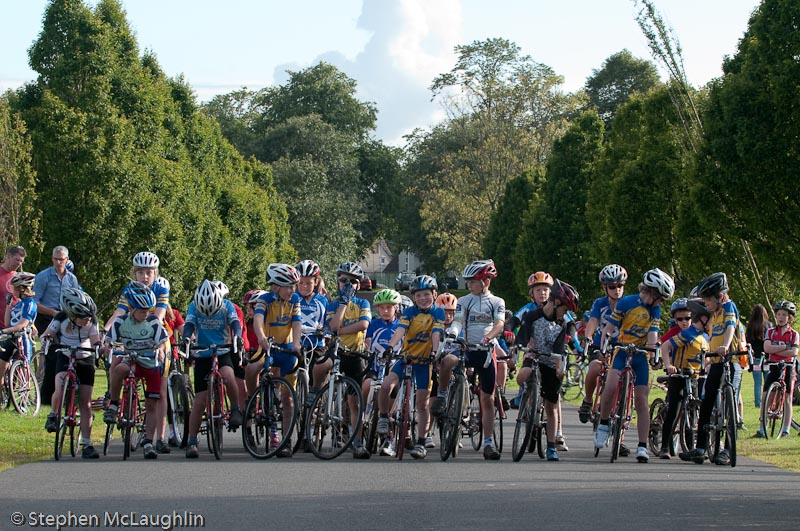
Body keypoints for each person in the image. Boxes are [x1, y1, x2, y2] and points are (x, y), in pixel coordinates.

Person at [594, 268, 675, 463]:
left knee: (641, 400)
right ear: (651, 292)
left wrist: (653, 353)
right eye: (660, 298)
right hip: (621, 350)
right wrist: (604, 346)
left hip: (640, 354)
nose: (661, 303)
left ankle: (642, 446)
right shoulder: (626, 302)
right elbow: (609, 328)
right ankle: (603, 424)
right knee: (610, 386)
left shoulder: (654, 310)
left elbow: (653, 334)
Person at [436, 259, 506, 460]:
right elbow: (457, 321)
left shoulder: (497, 302)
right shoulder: (464, 301)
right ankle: (442, 396)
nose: (468, 285)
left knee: (487, 399)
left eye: (473, 281)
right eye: (468, 281)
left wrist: (489, 337)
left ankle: (488, 443)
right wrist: (453, 334)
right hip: (466, 349)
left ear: (486, 282)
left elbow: (499, 324)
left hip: (486, 351)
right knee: (447, 361)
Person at [376, 276, 444, 459]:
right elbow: (401, 330)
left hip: (425, 362)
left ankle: (421, 442)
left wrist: (434, 351)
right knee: (386, 384)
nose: (423, 298)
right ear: (414, 297)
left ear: (434, 295)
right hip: (407, 358)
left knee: (422, 403)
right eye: (419, 295)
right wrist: (391, 346)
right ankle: (383, 417)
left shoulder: (438, 312)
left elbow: (436, 332)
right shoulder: (409, 312)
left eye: (426, 294)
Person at [679, 272, 741, 464]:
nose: (706, 304)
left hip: (730, 360)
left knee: (731, 406)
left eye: (708, 300)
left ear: (720, 296)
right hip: (715, 362)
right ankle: (700, 447)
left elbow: (730, 327)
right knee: (707, 401)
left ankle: (728, 450)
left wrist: (726, 346)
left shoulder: (728, 307)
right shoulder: (713, 315)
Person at [514, 279, 580, 461]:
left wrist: (559, 368)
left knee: (551, 406)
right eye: (564, 309)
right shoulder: (533, 316)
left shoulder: (562, 324)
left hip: (551, 361)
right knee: (524, 375)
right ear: (556, 302)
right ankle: (526, 398)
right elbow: (523, 336)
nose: (565, 314)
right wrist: (517, 348)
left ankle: (551, 446)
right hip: (533, 356)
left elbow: (560, 349)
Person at [104, 282, 170, 459]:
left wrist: (160, 350)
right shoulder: (121, 322)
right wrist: (108, 345)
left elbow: (163, 342)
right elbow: (110, 340)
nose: (145, 314)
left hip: (150, 362)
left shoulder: (153, 322)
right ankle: (114, 403)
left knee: (151, 404)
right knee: (119, 369)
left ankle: (148, 441)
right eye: (142, 311)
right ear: (131, 309)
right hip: (132, 359)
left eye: (148, 310)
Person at [183, 280, 245, 458]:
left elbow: (235, 324)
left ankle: (235, 409)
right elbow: (189, 325)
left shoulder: (227, 306)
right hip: (202, 352)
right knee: (200, 401)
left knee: (228, 375)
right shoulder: (194, 306)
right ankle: (192, 441)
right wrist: (187, 338)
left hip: (223, 349)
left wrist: (237, 337)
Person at [317, 262, 371, 458]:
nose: (348, 285)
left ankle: (358, 442)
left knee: (354, 402)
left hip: (355, 354)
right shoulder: (332, 305)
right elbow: (332, 326)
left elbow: (363, 324)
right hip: (337, 352)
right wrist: (342, 304)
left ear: (359, 285)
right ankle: (316, 392)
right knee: (321, 365)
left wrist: (341, 331)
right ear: (337, 282)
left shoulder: (363, 303)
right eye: (343, 280)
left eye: (353, 282)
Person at [41, 288, 103, 459]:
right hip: (65, 354)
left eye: (89, 317)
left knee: (85, 401)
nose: (88, 320)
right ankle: (53, 414)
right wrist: (46, 339)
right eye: (84, 317)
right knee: (60, 384)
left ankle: (87, 444)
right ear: (72, 315)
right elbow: (48, 333)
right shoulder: (61, 317)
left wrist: (99, 347)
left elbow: (95, 340)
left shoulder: (92, 321)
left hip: (85, 357)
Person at [249, 264, 302, 458]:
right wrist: (261, 338)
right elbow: (257, 320)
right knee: (251, 368)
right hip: (268, 347)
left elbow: (297, 323)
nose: (292, 290)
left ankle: (286, 441)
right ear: (276, 286)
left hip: (287, 349)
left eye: (294, 286)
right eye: (289, 286)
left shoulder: (294, 300)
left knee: (288, 399)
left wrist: (296, 344)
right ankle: (252, 400)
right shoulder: (264, 300)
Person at [656, 299, 710, 459]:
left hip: (693, 377)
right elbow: (665, 345)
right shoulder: (687, 334)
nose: (684, 322)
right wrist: (668, 365)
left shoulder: (705, 336)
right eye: (680, 319)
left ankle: (690, 448)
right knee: (674, 410)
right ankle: (664, 447)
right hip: (679, 376)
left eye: (688, 318)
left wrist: (704, 366)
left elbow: (706, 356)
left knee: (692, 413)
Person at [578, 264, 627, 425]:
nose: (617, 290)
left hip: (622, 346)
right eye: (612, 287)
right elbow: (593, 321)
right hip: (601, 345)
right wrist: (588, 337)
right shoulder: (600, 303)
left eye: (620, 286)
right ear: (605, 288)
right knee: (594, 368)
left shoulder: (629, 303)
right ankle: (588, 400)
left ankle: (621, 413)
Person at [34, 246, 81, 405]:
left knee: (68, 354)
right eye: (56, 259)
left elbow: (75, 300)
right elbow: (35, 303)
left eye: (61, 259)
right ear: (52, 259)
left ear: (67, 260)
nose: (59, 262)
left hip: (65, 319)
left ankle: (66, 395)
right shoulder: (43, 276)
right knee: (53, 355)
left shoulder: (71, 279)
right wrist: (53, 313)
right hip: (46, 317)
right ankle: (47, 396)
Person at [364, 288, 401, 456]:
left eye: (389, 307)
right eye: (382, 307)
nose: (385, 311)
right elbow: (368, 342)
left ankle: (390, 438)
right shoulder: (373, 324)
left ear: (396, 308)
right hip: (375, 367)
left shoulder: (400, 326)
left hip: (392, 369)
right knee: (366, 386)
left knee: (393, 399)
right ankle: (363, 417)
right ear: (377, 309)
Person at [755, 300, 798, 438]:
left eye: (784, 315)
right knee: (765, 396)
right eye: (778, 314)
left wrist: (776, 349)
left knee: (787, 397)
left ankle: (786, 429)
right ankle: (762, 429)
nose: (780, 317)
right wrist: (785, 347)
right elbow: (767, 348)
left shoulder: (794, 334)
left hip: (788, 367)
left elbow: (794, 352)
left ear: (789, 317)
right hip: (774, 366)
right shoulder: (771, 332)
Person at [0, 272, 37, 392]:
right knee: (1, 369)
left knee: (23, 373)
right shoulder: (18, 304)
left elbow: (21, 325)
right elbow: (8, 323)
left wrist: (2, 331)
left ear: (21, 288)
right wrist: (8, 305)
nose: (12, 291)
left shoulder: (30, 303)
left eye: (14, 288)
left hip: (23, 339)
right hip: (11, 338)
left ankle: (23, 399)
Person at [746, 304, 770, 409]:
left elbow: (748, 341)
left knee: (757, 382)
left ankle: (757, 403)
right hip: (767, 358)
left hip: (755, 358)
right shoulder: (768, 325)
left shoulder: (750, 326)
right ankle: (768, 401)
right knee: (767, 381)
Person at [0, 245, 26, 319]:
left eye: (21, 261)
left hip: (14, 323)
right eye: (17, 260)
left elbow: (20, 299)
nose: (19, 263)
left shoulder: (18, 276)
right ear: (8, 256)